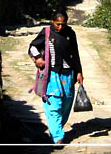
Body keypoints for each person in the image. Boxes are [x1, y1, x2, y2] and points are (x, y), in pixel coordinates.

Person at [28, 11, 84, 144]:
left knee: (66, 103)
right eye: (57, 24)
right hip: (51, 74)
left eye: (63, 25)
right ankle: (57, 136)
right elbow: (33, 47)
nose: (60, 27)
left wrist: (79, 72)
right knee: (54, 104)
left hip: (68, 75)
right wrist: (37, 58)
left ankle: (56, 128)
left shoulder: (70, 33)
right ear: (52, 22)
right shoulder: (46, 33)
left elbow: (75, 53)